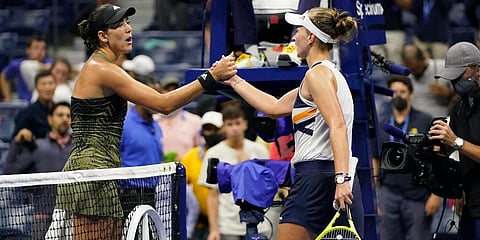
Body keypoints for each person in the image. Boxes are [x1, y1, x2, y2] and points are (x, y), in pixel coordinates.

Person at [46, 4, 236, 239]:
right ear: (103, 36)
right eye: (119, 25)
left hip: (102, 170)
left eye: (128, 23)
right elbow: (163, 104)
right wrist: (210, 78)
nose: (128, 29)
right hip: (91, 171)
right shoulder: (101, 69)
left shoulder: (106, 68)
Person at [223, 7, 364, 239]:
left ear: (311, 37)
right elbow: (274, 107)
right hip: (334, 176)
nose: (294, 36)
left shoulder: (316, 76)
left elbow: (337, 124)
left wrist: (341, 180)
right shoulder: (326, 76)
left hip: (319, 178)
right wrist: (234, 80)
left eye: (298, 30)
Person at [374, 75, 440, 240]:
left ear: (410, 94)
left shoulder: (425, 120)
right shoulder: (381, 123)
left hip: (418, 196)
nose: (398, 95)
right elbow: (374, 160)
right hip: (388, 194)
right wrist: (376, 196)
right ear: (388, 95)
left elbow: (437, 158)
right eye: (394, 92)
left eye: (403, 91)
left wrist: (436, 195)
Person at [198, 105, 274, 240]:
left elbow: (268, 188)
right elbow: (212, 195)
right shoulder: (213, 153)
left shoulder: (259, 150)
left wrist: (248, 168)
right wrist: (214, 229)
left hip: (260, 223)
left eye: (237, 123)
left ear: (245, 124)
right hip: (228, 226)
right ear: (223, 127)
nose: (234, 128)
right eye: (230, 124)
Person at [429, 41, 480, 239]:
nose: (454, 82)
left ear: (477, 70)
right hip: (469, 205)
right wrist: (459, 190)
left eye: (459, 76)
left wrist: (456, 141)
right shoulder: (459, 108)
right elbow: (458, 155)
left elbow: (458, 144)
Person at [4, 101, 71, 240]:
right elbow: (9, 172)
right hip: (43, 216)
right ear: (50, 119)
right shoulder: (38, 147)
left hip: (71, 216)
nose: (65, 118)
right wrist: (16, 142)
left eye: (68, 116)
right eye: (60, 115)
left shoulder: (77, 147)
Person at [181, 110, 224, 240]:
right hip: (198, 223)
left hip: (224, 222)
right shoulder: (191, 156)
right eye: (207, 129)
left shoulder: (229, 153)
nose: (211, 133)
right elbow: (181, 186)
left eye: (215, 129)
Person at [154, 77, 204, 162]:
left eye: (175, 90)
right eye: (167, 90)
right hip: (157, 170)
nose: (171, 94)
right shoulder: (151, 121)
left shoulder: (195, 121)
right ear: (160, 92)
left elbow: (201, 150)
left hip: (187, 171)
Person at [401, 44, 456, 117]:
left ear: (424, 59)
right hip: (413, 121)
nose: (412, 72)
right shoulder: (403, 73)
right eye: (409, 69)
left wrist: (448, 94)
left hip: (439, 119)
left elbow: (461, 99)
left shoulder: (445, 67)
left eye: (416, 68)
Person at [0, 36, 53, 101]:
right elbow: (4, 76)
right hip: (24, 102)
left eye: (43, 48)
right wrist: (7, 97)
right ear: (28, 50)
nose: (40, 51)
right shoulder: (18, 64)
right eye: (36, 48)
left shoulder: (50, 63)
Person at [11, 70, 56, 141]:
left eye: (50, 83)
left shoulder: (61, 111)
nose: (47, 88)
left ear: (56, 85)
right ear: (36, 87)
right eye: (43, 84)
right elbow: (15, 141)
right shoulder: (26, 113)